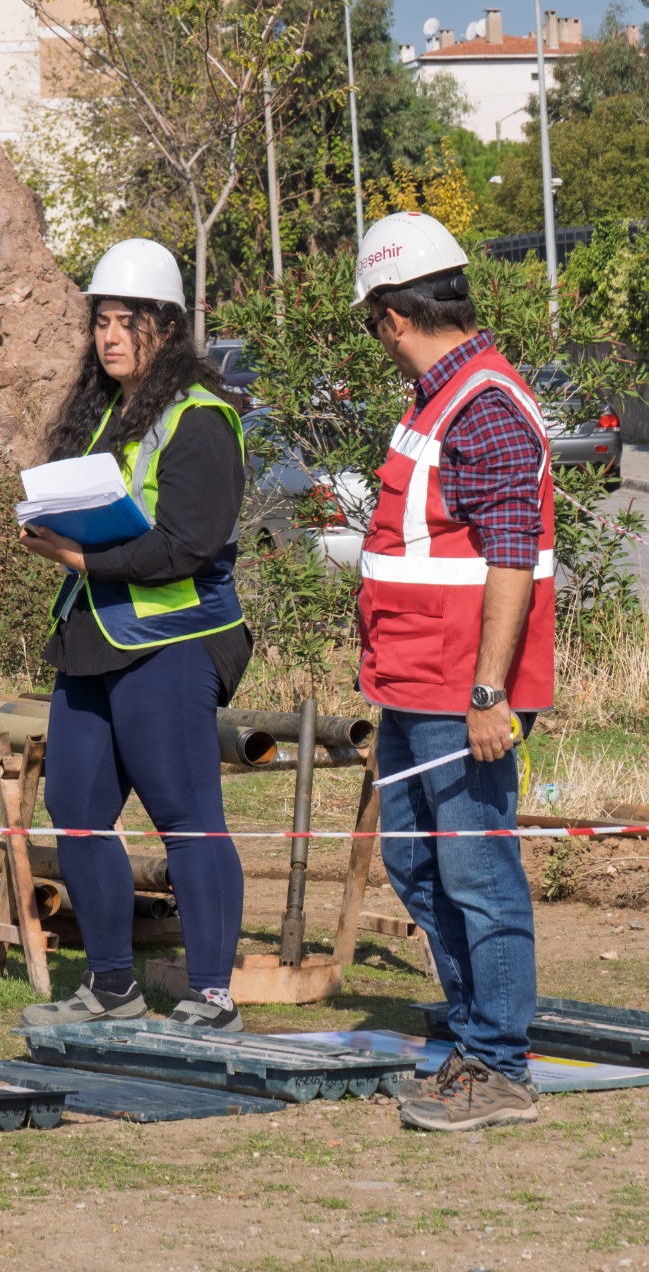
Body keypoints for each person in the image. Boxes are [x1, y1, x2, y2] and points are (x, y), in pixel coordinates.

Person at [19, 237, 252, 1036]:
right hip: (90, 636)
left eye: (129, 322)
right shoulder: (103, 417)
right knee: (75, 806)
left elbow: (188, 544)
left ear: (168, 325)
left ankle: (213, 994)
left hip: (176, 642)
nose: (111, 337)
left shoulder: (203, 418)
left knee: (185, 812)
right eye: (102, 322)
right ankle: (111, 984)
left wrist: (82, 553)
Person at [354, 211, 552, 1133]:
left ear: (394, 316)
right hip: (412, 683)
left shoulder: (485, 403)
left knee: (478, 872)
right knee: (414, 863)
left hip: (457, 691)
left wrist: (489, 697)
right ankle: (475, 1042)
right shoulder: (445, 396)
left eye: (371, 323)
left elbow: (512, 558)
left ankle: (499, 1065)